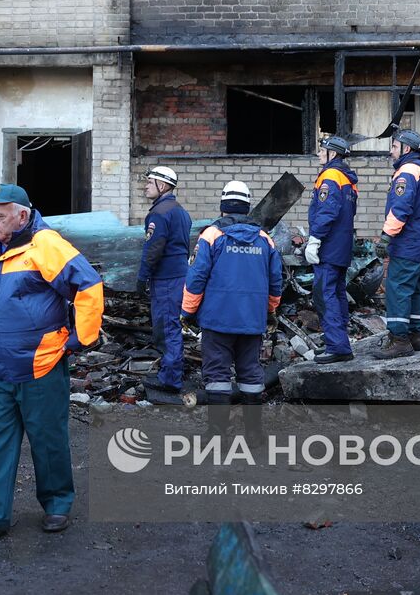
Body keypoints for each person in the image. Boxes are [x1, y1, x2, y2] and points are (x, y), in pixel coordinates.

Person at [0, 184, 103, 542]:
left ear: (22, 214)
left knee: (47, 438)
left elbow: (90, 286)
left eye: (1, 216)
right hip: (1, 364)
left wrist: (78, 339)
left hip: (41, 363)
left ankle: (56, 504)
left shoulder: (46, 245)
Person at [182, 181, 282, 436]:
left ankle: (217, 433)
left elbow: (196, 279)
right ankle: (254, 434)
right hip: (252, 320)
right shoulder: (264, 239)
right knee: (250, 372)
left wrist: (187, 312)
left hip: (217, 320)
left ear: (223, 205)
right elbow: (275, 283)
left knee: (217, 374)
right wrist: (269, 311)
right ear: (247, 206)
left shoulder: (211, 236)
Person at [376, 129, 420, 359]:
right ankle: (416, 336)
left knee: (398, 288)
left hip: (407, 239)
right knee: (417, 287)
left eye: (394, 147)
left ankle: (399, 339)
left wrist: (386, 236)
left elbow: (400, 208)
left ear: (406, 149)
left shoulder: (407, 172)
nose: (391, 152)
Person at [304, 134, 360, 363]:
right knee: (336, 295)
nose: (319, 153)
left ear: (332, 153)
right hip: (342, 245)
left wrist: (315, 239)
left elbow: (327, 211)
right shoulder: (347, 178)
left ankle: (337, 346)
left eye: (322, 150)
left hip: (329, 246)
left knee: (324, 296)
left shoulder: (329, 176)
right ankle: (339, 342)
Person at [137, 165, 192, 395]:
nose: (146, 186)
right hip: (177, 277)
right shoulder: (180, 211)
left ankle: (170, 379)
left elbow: (153, 248)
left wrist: (142, 277)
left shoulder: (159, 214)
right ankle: (170, 371)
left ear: (164, 185)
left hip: (167, 280)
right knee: (169, 326)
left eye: (150, 182)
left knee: (168, 328)